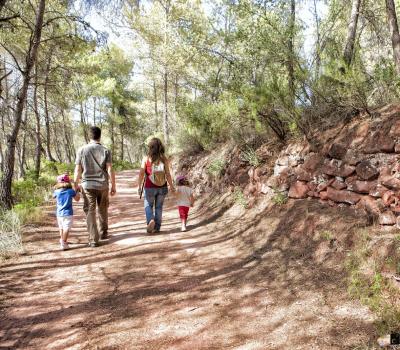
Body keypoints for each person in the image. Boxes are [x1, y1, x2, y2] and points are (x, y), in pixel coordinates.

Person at [74, 126, 116, 247]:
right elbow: (110, 169)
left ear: (89, 136)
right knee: (103, 208)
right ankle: (103, 232)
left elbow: (78, 169)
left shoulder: (81, 150)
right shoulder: (105, 150)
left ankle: (93, 239)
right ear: (100, 136)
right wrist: (113, 185)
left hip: (87, 185)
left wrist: (76, 185)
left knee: (90, 210)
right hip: (103, 184)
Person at [137, 137, 175, 233]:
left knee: (147, 205)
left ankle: (151, 220)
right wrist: (171, 186)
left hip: (149, 187)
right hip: (162, 187)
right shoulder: (164, 158)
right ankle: (157, 228)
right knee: (159, 207)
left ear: (150, 147)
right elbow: (168, 174)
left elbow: (141, 173)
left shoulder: (146, 159)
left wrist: (139, 186)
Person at [53, 173, 80, 250]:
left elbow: (53, 197)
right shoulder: (71, 191)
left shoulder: (56, 191)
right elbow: (77, 199)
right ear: (68, 182)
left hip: (59, 213)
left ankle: (62, 240)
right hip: (68, 213)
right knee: (66, 228)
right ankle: (63, 242)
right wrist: (77, 191)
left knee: (61, 228)